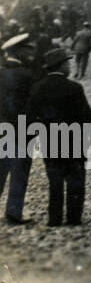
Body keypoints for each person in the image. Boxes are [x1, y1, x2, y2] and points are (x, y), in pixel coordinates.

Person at [26, 47, 91, 227]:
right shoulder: (74, 88)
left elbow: (30, 118)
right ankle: (74, 217)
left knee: (55, 181)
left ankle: (54, 218)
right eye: (68, 63)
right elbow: (86, 117)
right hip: (74, 141)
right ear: (62, 65)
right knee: (75, 181)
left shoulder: (37, 88)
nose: (70, 66)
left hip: (50, 142)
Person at [0, 33, 39, 225]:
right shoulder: (27, 75)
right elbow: (32, 106)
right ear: (19, 51)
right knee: (19, 172)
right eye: (28, 50)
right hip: (21, 132)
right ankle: (13, 213)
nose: (31, 53)